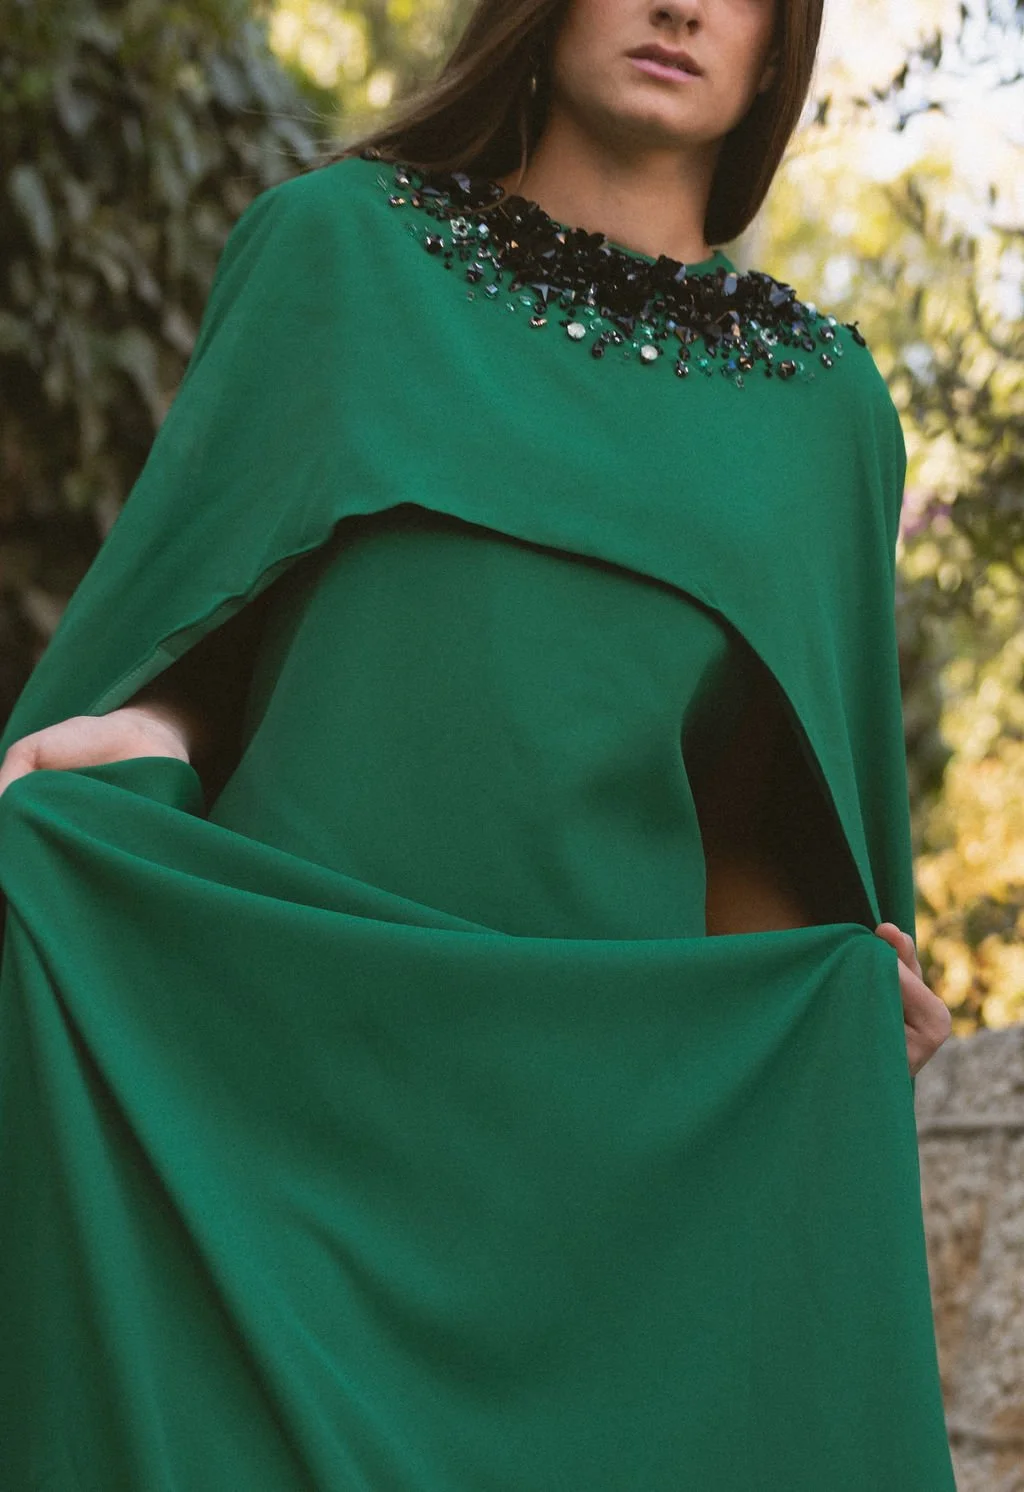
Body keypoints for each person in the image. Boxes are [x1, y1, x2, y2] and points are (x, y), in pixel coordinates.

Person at [0, 0, 957, 1487]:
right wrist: (144, 725)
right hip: (282, 1080)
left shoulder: (823, 410)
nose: (679, 6)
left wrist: (827, 1006)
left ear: (782, 42)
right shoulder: (340, 252)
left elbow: (764, 844)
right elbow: (211, 633)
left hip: (587, 1171)